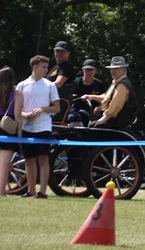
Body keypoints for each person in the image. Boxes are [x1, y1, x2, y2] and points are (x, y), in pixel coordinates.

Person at [14, 55, 61, 198]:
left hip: (44, 127)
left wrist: (43, 109)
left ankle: (42, 192)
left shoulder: (50, 85)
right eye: (44, 67)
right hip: (27, 127)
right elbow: (17, 109)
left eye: (47, 67)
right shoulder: (22, 85)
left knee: (43, 158)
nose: (46, 70)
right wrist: (25, 114)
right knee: (29, 159)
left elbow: (57, 108)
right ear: (35, 67)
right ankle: (31, 190)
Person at [85, 56, 137, 129]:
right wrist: (90, 96)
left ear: (124, 70)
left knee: (92, 127)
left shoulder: (122, 85)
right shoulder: (116, 82)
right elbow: (107, 97)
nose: (113, 71)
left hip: (117, 123)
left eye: (116, 69)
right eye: (112, 69)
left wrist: (101, 120)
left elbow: (114, 107)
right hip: (112, 120)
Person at [66, 59, 106, 125]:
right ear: (83, 70)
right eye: (86, 70)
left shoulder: (99, 85)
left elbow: (105, 99)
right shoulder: (76, 82)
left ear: (95, 71)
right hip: (76, 110)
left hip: (92, 112)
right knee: (73, 117)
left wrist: (100, 107)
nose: (88, 72)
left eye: (91, 70)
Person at [0, 67, 16, 197]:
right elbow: (18, 114)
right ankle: (1, 192)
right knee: (4, 163)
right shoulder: (15, 93)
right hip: (7, 126)